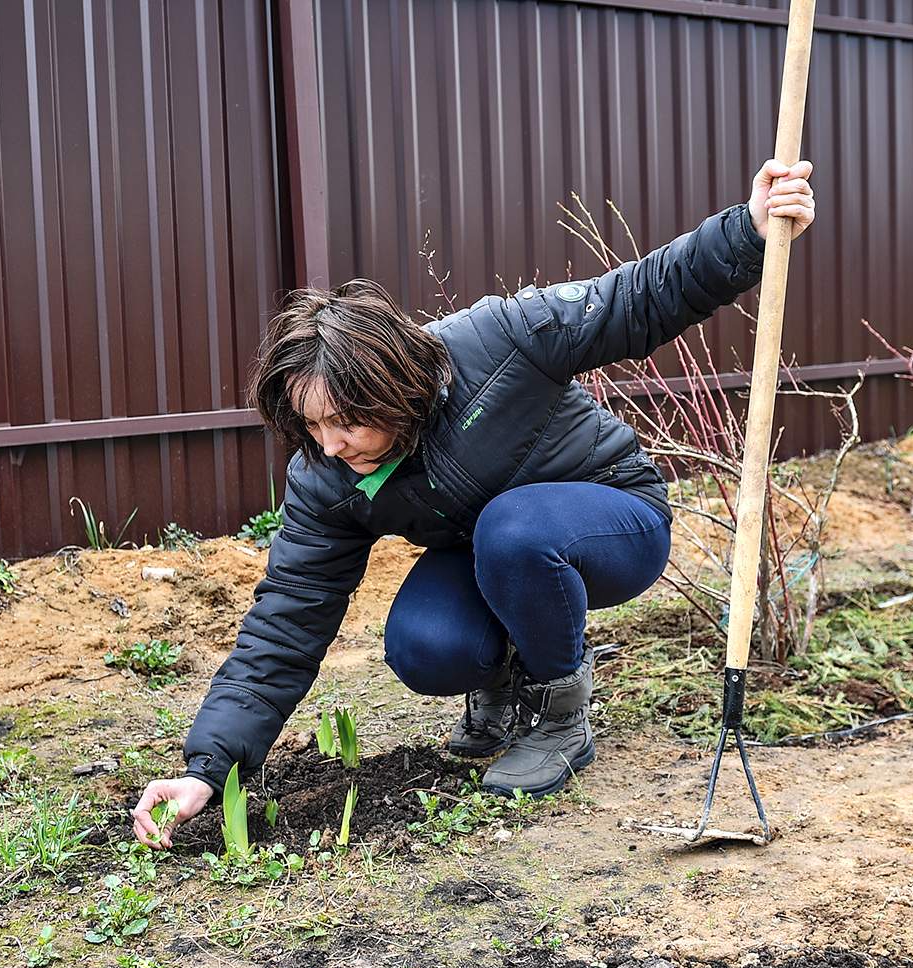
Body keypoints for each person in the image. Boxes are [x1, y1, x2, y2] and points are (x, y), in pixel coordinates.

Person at [131, 160, 817, 849]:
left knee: (512, 530)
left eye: (345, 420)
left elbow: (636, 298)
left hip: (612, 520)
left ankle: (560, 717)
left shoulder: (498, 342)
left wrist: (747, 233)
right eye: (311, 426)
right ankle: (505, 683)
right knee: (424, 645)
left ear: (391, 383)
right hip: (491, 553)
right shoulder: (326, 477)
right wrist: (208, 766)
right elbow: (288, 615)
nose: (331, 445)